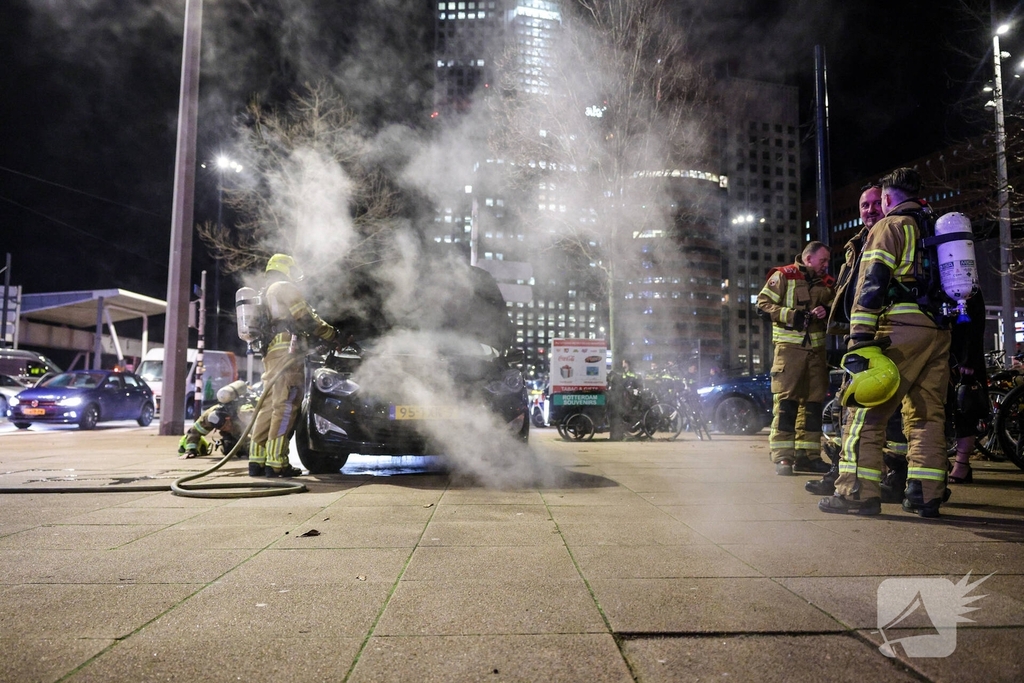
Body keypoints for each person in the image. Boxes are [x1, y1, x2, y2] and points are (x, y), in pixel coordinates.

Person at [820, 168, 951, 517]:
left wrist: (859, 339)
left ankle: (856, 493)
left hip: (899, 328)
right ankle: (926, 494)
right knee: (927, 416)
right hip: (938, 331)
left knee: (864, 410)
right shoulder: (935, 228)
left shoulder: (891, 227)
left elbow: (873, 283)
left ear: (889, 199)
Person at [807, 185, 909, 496]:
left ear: (888, 203)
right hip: (861, 334)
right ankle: (845, 471)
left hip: (883, 334)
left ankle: (891, 476)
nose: (869, 210)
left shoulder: (892, 234)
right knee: (846, 409)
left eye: (876, 203)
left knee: (881, 414)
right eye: (864, 205)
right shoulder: (856, 246)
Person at [249, 254, 340, 477]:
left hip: (272, 353)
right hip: (287, 355)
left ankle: (257, 462)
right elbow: (306, 318)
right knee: (287, 404)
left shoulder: (266, 291)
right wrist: (331, 333)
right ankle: (277, 463)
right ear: (286, 269)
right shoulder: (284, 287)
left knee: (269, 405)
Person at [757, 241, 835, 475]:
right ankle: (783, 457)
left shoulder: (827, 283)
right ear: (808, 258)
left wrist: (827, 311)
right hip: (789, 351)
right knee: (787, 404)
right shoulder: (783, 276)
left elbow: (837, 307)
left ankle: (808, 456)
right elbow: (762, 305)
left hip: (816, 354)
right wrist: (792, 316)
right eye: (823, 260)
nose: (826, 265)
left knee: (813, 405)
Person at [179, 379, 256, 458]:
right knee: (228, 448)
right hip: (236, 434)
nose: (226, 428)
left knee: (251, 448)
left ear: (228, 418)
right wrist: (190, 451)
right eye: (223, 428)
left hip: (246, 431)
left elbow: (256, 432)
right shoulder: (207, 417)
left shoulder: (243, 413)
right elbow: (194, 432)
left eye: (226, 426)